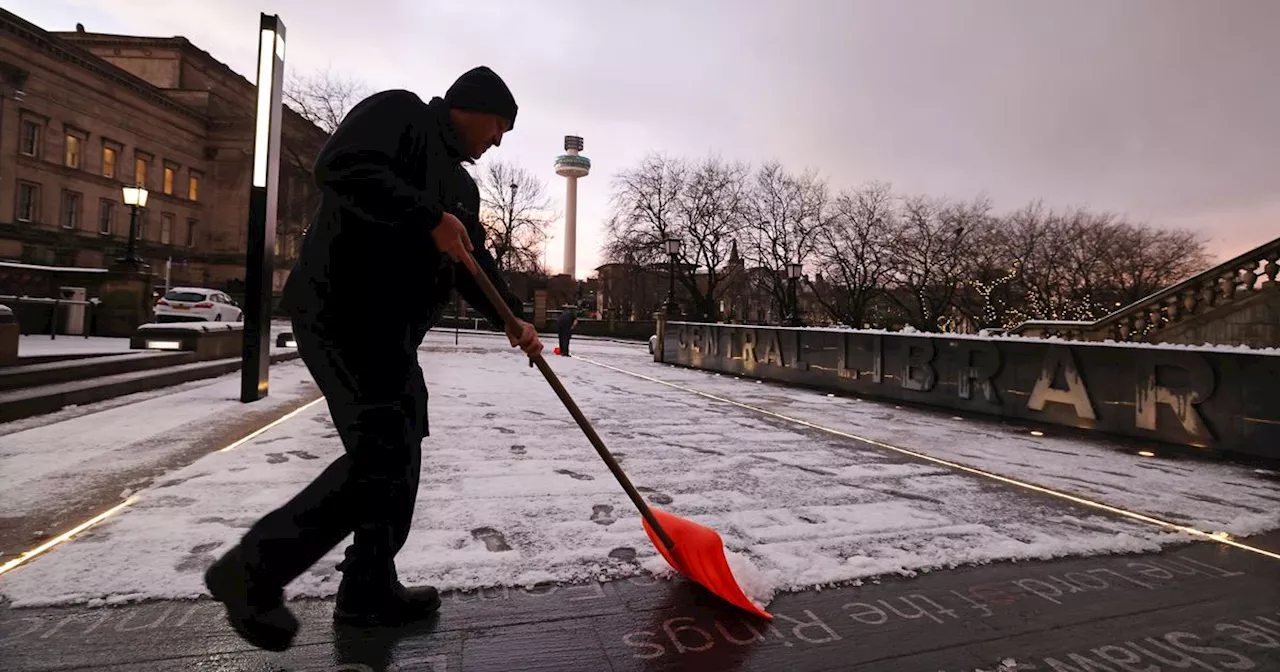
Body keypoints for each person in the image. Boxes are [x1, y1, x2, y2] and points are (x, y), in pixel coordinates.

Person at [203, 66, 542, 652]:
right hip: (341, 312)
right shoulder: (400, 114)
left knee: (400, 447)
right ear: (473, 107)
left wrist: (513, 318)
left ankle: (369, 587)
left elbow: (471, 266)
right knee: (382, 452)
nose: (498, 141)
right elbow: (341, 168)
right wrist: (427, 218)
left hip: (390, 331)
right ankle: (252, 571)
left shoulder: (461, 189)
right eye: (499, 126)